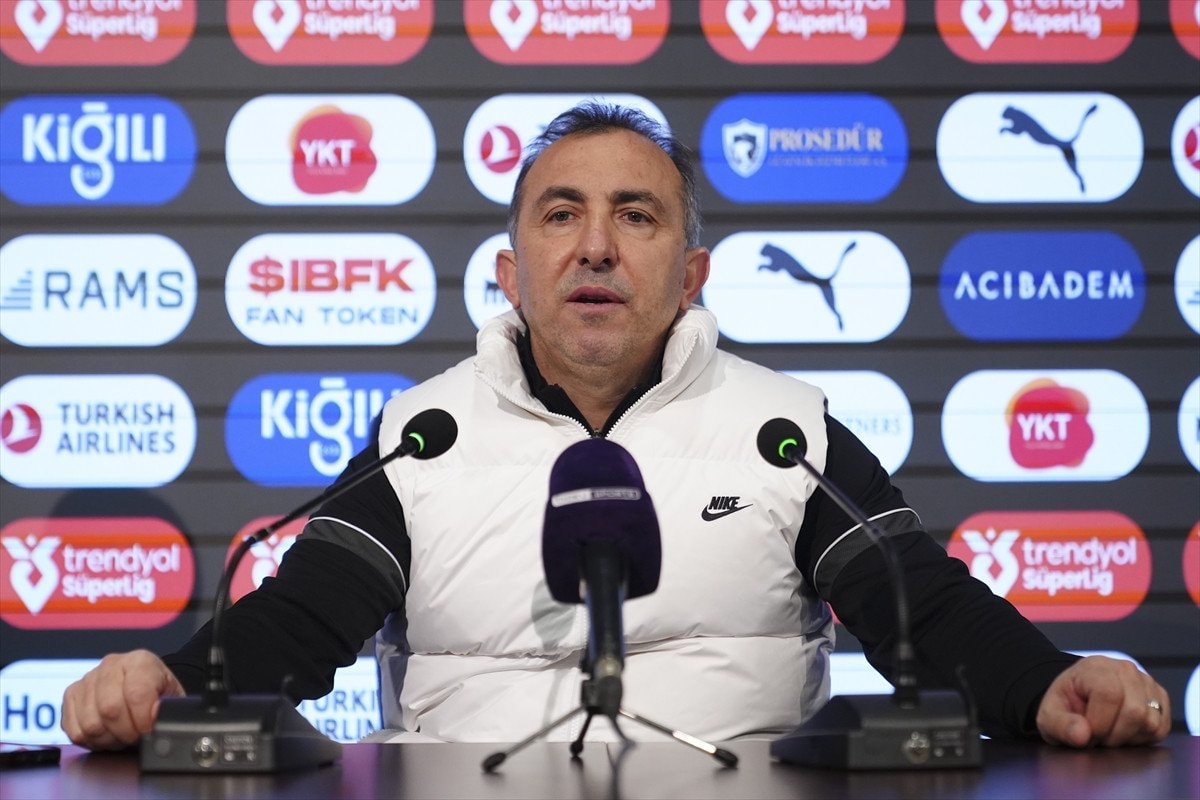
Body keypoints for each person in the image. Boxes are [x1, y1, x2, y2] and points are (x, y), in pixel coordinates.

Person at [62, 102, 1170, 751]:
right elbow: (298, 623)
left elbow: (922, 607)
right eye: (562, 214)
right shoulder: (422, 434)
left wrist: (1048, 682)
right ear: (511, 273)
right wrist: (172, 682)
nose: (595, 246)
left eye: (634, 216)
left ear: (690, 276)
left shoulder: (787, 431)